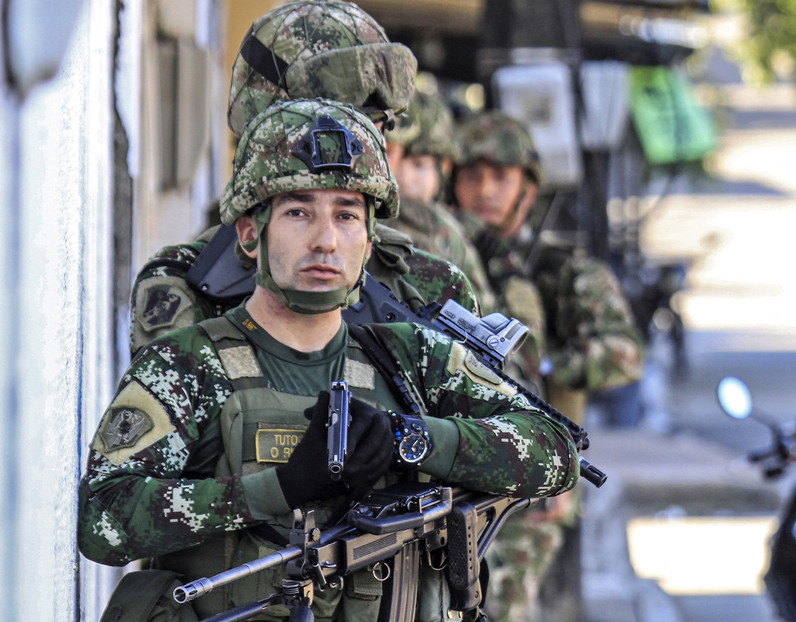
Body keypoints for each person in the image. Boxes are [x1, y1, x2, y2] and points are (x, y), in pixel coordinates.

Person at [78, 99, 580, 621]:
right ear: (250, 233)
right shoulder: (188, 365)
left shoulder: (411, 357)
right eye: (298, 212)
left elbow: (556, 451)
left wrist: (411, 439)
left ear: (369, 240)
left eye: (346, 215)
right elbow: (103, 518)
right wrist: (278, 490)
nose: (325, 240)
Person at [129, 0, 482, 357]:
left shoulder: (431, 285)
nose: (373, 149)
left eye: (377, 128)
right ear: (270, 128)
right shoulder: (185, 286)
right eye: (345, 132)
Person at [450, 111, 645, 622]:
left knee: (500, 605)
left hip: (538, 471)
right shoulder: (442, 259)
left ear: (528, 190)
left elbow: (623, 354)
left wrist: (542, 366)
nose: (484, 190)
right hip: (458, 461)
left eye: (500, 176)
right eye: (472, 176)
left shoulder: (560, 269)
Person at [383, 89, 497, 312]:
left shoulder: (444, 229)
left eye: (419, 164)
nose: (405, 178)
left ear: (444, 168)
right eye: (395, 157)